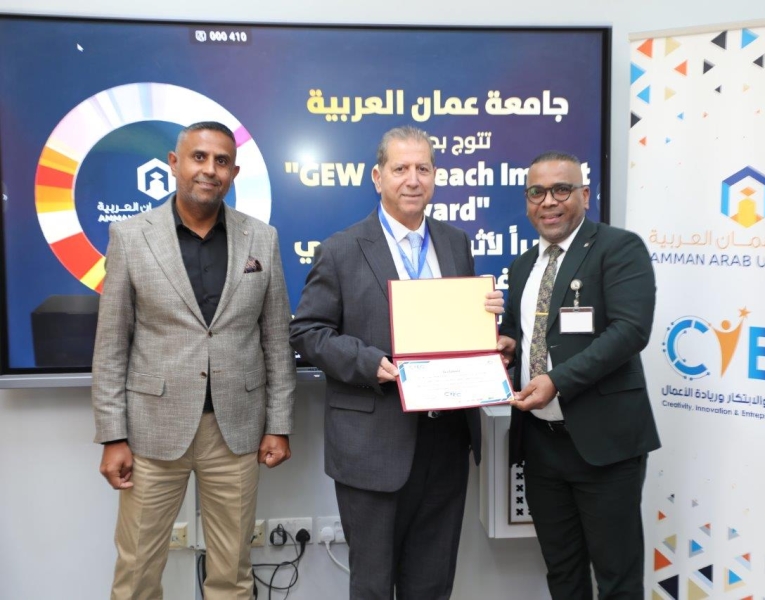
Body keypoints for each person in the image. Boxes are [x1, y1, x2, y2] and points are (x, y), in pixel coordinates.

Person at [289, 125, 503, 600]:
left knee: (432, 584)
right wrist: (368, 362)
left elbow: (458, 331)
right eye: (400, 168)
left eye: (423, 168)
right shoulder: (341, 248)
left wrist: (487, 325)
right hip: (373, 444)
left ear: (435, 176)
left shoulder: (455, 242)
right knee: (372, 585)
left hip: (446, 440)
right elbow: (307, 332)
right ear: (377, 177)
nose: (412, 179)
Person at [92, 121, 296, 600]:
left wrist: (279, 425)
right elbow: (111, 345)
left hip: (236, 432)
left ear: (234, 172)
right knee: (137, 573)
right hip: (151, 433)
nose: (210, 169)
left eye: (222, 161)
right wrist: (113, 436)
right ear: (174, 163)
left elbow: (275, 340)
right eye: (199, 157)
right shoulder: (130, 236)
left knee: (233, 575)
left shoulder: (261, 238)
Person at [497, 151, 660, 600]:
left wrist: (558, 381)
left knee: (617, 579)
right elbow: (524, 334)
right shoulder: (522, 266)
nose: (548, 201)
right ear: (527, 201)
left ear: (585, 195)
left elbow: (630, 330)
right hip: (541, 446)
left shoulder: (618, 248)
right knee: (563, 573)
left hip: (604, 446)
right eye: (537, 192)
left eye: (561, 190)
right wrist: (508, 345)